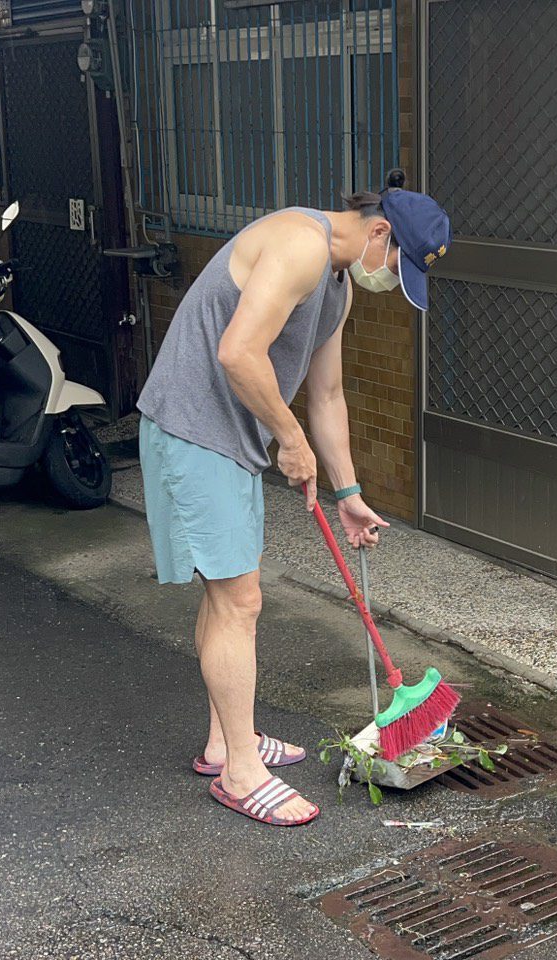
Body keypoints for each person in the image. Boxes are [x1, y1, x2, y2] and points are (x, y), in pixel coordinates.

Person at [135, 170, 452, 827]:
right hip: (194, 428)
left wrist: (350, 491)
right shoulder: (299, 245)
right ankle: (241, 775)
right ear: (380, 233)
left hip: (228, 438)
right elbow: (237, 353)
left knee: (227, 596)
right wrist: (288, 439)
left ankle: (229, 741)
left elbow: (328, 396)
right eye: (399, 265)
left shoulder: (336, 284)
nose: (392, 280)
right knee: (238, 599)